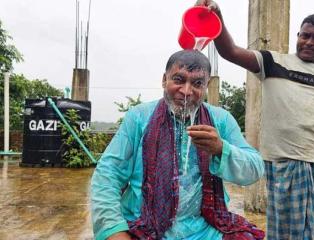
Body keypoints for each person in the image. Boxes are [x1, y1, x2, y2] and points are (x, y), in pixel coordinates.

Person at [195, 1, 314, 239]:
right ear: (298, 35)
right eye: (305, 35)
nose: (309, 42)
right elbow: (230, 51)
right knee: (286, 232)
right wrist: (217, 17)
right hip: (282, 164)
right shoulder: (272, 62)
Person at [91, 50, 266, 240]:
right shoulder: (139, 117)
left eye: (197, 83)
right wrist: (114, 230)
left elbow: (255, 169)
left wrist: (221, 149)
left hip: (204, 229)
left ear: (207, 86)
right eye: (179, 80)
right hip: (142, 225)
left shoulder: (220, 120)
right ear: (164, 80)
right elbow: (107, 175)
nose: (186, 91)